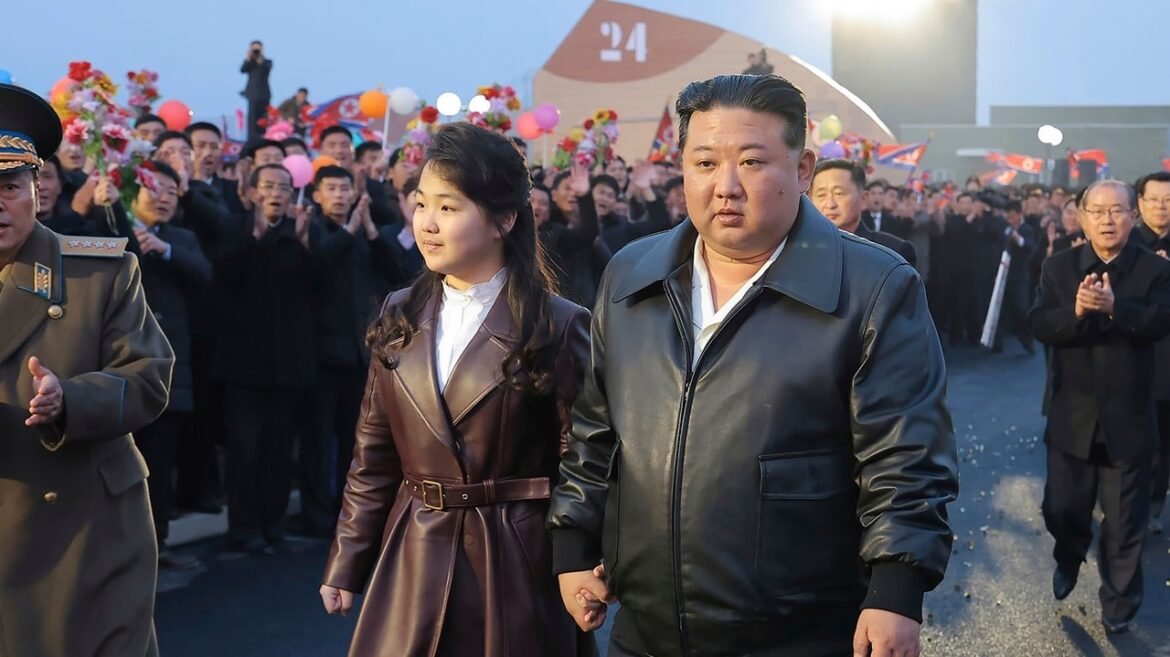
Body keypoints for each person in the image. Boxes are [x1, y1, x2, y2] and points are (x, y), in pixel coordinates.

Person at [549, 74, 957, 657]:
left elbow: (906, 453)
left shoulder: (874, 287)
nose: (726, 187)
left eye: (752, 162)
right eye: (706, 163)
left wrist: (896, 588)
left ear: (803, 168)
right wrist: (572, 543)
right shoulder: (630, 276)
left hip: (801, 628)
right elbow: (595, 430)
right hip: (646, 626)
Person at [320, 122, 595, 657]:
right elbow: (372, 454)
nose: (427, 223)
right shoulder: (400, 311)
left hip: (515, 557)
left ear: (503, 220)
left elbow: (582, 461)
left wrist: (577, 561)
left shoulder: (557, 325)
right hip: (414, 551)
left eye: (449, 207)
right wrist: (347, 558)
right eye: (421, 204)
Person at [0, 82, 174, 657]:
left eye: (9, 187)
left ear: (38, 191)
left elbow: (148, 376)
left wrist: (70, 400)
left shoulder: (97, 273)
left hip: (83, 533)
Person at [1029, 180, 1170, 634]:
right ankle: (1068, 556)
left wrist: (1115, 309)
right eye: (1098, 211)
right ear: (1082, 216)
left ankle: (1119, 607)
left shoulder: (1155, 270)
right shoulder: (1058, 267)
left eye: (1118, 211)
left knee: (1125, 526)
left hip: (1128, 419)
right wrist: (1075, 311)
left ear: (1133, 215)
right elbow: (1039, 324)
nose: (1108, 220)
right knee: (1062, 510)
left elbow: (1160, 321)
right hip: (1073, 416)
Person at [214, 163, 316, 554]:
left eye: (284, 188)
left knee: (278, 449)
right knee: (244, 449)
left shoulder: (299, 233)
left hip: (289, 363)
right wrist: (253, 240)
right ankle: (244, 528)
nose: (276, 193)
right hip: (244, 364)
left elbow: (318, 288)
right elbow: (221, 279)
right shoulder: (234, 228)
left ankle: (274, 526)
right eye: (269, 186)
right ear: (252, 192)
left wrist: (307, 244)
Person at [301, 165, 402, 535]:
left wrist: (371, 231)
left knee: (355, 437)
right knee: (318, 437)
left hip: (361, 351)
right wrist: (350, 229)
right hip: (322, 353)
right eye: (332, 189)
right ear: (317, 194)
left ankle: (352, 512)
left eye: (345, 188)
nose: (340, 195)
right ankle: (316, 515)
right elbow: (320, 262)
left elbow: (395, 268)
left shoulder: (363, 232)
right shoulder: (312, 229)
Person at [127, 160, 212, 569]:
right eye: (153, 188)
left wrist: (166, 250)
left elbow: (204, 274)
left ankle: (158, 544)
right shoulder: (115, 228)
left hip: (169, 370)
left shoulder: (182, 237)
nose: (162, 198)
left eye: (170, 192)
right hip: (121, 364)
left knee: (160, 465)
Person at [1133, 171, 1170, 531]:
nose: (1161, 208)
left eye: (1168, 201)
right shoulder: (1125, 245)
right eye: (1154, 200)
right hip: (1134, 356)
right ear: (1140, 203)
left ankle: (1154, 502)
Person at [809, 158, 917, 267]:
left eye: (839, 193)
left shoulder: (894, 252)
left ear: (863, 199)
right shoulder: (799, 250)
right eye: (821, 195)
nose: (830, 204)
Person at [240, 40, 272, 139]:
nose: (256, 51)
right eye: (254, 49)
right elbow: (242, 70)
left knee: (264, 119)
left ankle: (264, 138)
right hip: (252, 95)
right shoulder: (250, 62)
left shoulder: (267, 61)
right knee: (252, 120)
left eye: (258, 49)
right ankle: (251, 139)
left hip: (264, 95)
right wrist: (248, 57)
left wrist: (260, 58)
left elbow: (267, 69)